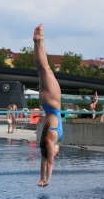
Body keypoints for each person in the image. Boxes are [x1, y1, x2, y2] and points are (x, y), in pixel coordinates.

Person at [33, 24, 63, 187]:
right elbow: (43, 162)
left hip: (53, 103)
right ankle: (37, 42)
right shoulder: (44, 143)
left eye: (56, 153)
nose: (58, 152)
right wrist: (40, 178)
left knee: (46, 68)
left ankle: (41, 39)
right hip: (44, 102)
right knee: (40, 69)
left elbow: (49, 163)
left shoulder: (51, 143)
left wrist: (47, 180)